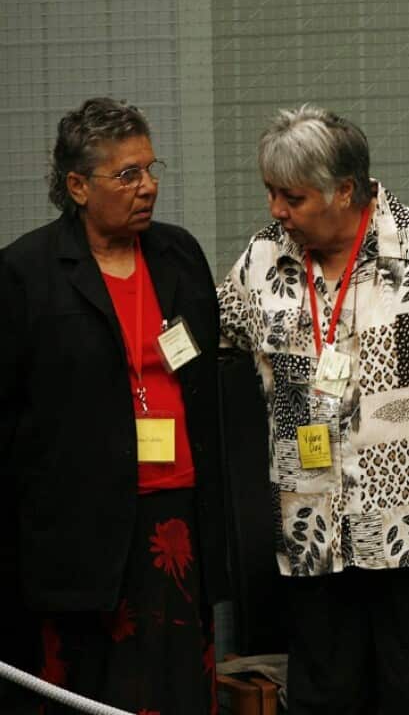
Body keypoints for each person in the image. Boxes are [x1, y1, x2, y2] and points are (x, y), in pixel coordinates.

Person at [218, 105, 409, 713]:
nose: (276, 211)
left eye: (291, 197)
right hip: (312, 529)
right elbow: (209, 345)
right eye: (271, 193)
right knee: (325, 699)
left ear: (343, 190)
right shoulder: (262, 261)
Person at [0, 97, 227, 713]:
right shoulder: (27, 272)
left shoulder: (178, 254)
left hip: (175, 519)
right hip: (80, 531)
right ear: (77, 185)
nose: (147, 186)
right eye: (127, 175)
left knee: (177, 687)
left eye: (151, 169)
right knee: (90, 692)